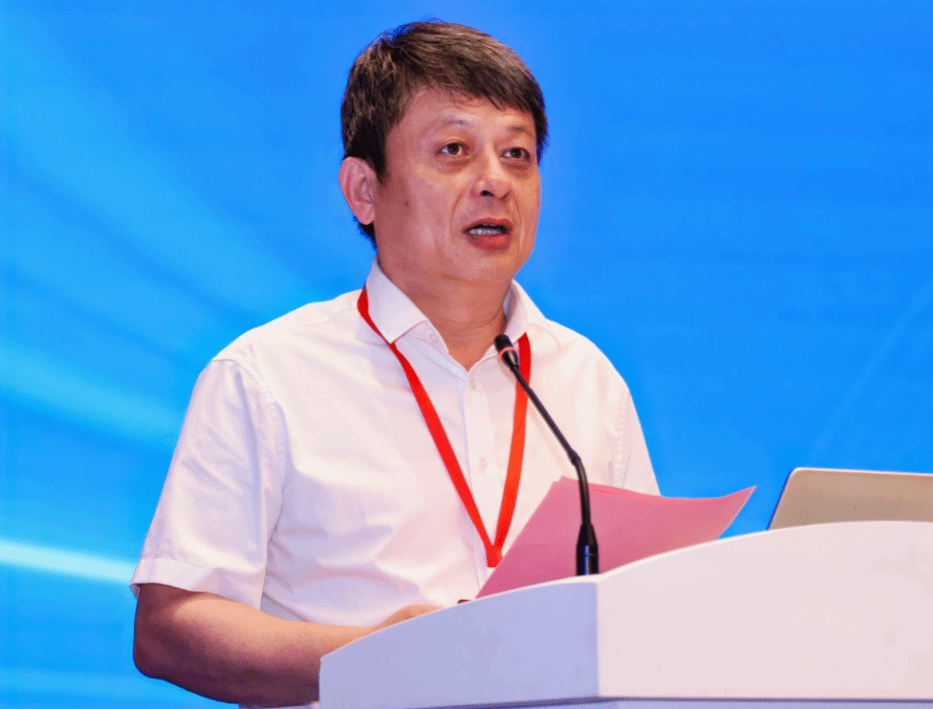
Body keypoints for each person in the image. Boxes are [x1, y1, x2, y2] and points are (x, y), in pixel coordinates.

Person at [131, 20, 659, 709]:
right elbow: (169, 629)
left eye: (518, 154)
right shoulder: (267, 375)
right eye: (453, 150)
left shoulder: (586, 380)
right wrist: (376, 656)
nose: (495, 181)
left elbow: (649, 605)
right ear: (363, 190)